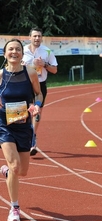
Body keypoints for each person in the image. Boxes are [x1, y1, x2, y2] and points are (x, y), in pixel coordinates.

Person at [0, 38, 42, 221]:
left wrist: (37, 105)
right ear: (5, 53)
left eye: (17, 49)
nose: (14, 52)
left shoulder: (30, 72)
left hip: (24, 125)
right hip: (4, 125)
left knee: (22, 171)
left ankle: (7, 173)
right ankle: (14, 207)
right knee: (15, 165)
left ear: (21, 53)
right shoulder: (0, 75)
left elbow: (38, 93)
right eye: (10, 49)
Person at [22, 27, 58, 156]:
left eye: (39, 36)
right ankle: (21, 136)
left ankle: (32, 139)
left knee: (37, 111)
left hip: (40, 85)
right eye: (35, 36)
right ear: (30, 37)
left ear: (42, 38)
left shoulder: (47, 51)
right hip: (24, 84)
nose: (37, 38)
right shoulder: (23, 50)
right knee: (22, 112)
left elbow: (54, 70)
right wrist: (30, 65)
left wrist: (44, 65)